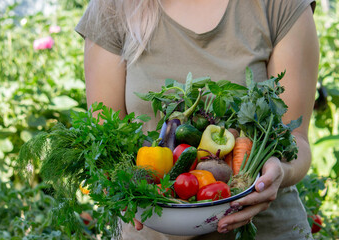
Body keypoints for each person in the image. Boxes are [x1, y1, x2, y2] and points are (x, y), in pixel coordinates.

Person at [75, 0, 319, 239]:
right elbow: (105, 145)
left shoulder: (280, 4)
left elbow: (296, 141)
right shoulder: (112, 6)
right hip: (150, 232)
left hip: (267, 231)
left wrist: (280, 173)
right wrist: (116, 185)